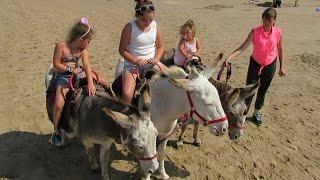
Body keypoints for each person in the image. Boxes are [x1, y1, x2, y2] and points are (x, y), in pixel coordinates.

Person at [51, 17, 109, 146]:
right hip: (64, 76)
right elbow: (56, 64)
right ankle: (56, 131)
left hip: (78, 73)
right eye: (88, 41)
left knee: (103, 81)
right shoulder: (61, 46)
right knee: (59, 104)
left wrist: (90, 83)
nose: (88, 44)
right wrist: (70, 69)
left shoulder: (83, 50)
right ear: (80, 38)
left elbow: (87, 66)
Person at [223, 8, 286, 126]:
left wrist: (282, 66)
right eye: (264, 19)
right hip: (255, 64)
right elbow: (243, 47)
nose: (266, 22)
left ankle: (257, 113)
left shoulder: (278, 32)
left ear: (274, 20)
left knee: (262, 91)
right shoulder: (255, 32)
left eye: (269, 20)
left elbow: (280, 49)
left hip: (270, 65)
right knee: (249, 92)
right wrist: (229, 58)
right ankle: (243, 115)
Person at [119, 0, 167, 104]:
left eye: (150, 19)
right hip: (133, 64)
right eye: (144, 20)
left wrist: (156, 59)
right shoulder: (129, 27)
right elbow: (122, 50)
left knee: (173, 79)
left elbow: (161, 46)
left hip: (151, 62)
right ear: (137, 16)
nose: (148, 22)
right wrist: (136, 61)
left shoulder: (155, 25)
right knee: (127, 94)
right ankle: (126, 113)